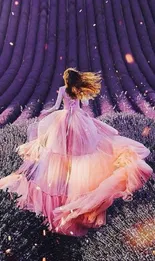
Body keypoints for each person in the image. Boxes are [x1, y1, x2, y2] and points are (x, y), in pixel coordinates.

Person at [0, 68, 153, 236]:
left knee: (58, 153)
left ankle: (62, 183)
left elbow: (57, 106)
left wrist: (47, 112)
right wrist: (81, 96)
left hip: (63, 121)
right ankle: (75, 185)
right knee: (85, 151)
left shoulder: (62, 90)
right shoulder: (77, 90)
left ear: (65, 79)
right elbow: (85, 104)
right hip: (79, 121)